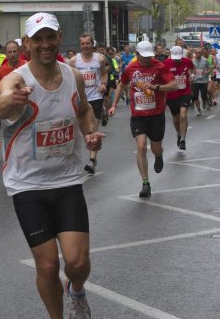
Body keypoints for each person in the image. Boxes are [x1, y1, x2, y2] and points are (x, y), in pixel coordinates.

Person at [0, 13, 104, 319]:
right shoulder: (15, 80)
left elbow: (83, 110)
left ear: (58, 39)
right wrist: (9, 103)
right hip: (27, 185)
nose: (44, 45)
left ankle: (78, 289)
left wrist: (89, 132)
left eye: (49, 38)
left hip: (67, 178)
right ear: (26, 44)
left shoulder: (72, 75)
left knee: (78, 261)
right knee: (45, 266)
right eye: (36, 39)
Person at [108, 41, 177, 198]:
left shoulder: (159, 66)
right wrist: (114, 105)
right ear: (137, 54)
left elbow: (173, 85)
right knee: (141, 146)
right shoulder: (131, 68)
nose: (147, 60)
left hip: (156, 114)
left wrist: (157, 88)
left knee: (155, 148)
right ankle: (145, 183)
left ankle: (159, 156)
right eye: (143, 57)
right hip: (138, 115)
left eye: (149, 57)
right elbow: (121, 85)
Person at [68, 33, 108, 174]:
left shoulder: (100, 59)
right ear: (80, 46)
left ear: (92, 45)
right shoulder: (73, 61)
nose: (85, 46)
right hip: (80, 99)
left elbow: (104, 73)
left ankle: (92, 160)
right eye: (83, 44)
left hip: (96, 97)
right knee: (80, 129)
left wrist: (103, 83)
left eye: (88, 43)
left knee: (93, 128)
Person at [164, 46, 194, 150]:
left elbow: (192, 67)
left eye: (179, 58)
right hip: (172, 94)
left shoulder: (187, 61)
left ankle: (183, 140)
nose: (177, 60)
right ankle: (178, 134)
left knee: (183, 115)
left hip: (185, 92)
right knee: (176, 119)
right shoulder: (166, 63)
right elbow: (162, 76)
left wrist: (191, 75)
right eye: (175, 58)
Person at [191, 48, 210, 116]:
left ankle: (204, 101)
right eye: (197, 53)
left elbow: (209, 68)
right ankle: (199, 110)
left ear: (201, 54)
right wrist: (191, 76)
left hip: (203, 81)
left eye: (200, 53)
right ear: (195, 53)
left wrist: (207, 72)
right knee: (195, 96)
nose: (198, 54)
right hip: (195, 81)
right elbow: (189, 70)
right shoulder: (192, 61)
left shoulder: (205, 61)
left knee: (203, 95)